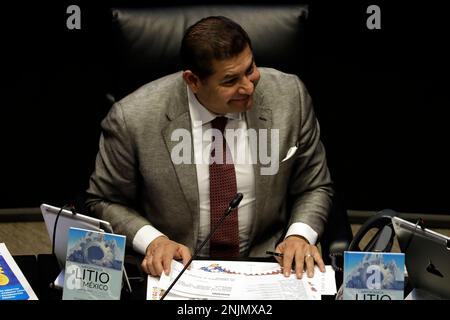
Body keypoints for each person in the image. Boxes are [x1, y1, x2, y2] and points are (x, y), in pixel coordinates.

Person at [86, 16, 333, 279]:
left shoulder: (289, 95)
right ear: (193, 81)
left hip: (268, 264)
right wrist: (154, 241)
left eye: (250, 69)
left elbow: (314, 185)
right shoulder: (132, 118)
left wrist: (299, 235)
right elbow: (104, 199)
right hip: (177, 267)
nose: (249, 87)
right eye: (230, 81)